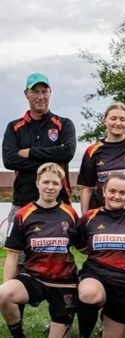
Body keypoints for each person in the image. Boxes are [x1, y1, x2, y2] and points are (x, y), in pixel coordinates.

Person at [2, 74, 76, 295]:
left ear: (50, 93)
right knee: (19, 258)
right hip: (23, 200)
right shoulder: (14, 127)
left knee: (59, 257)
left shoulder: (64, 124)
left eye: (45, 91)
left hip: (58, 202)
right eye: (35, 91)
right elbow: (9, 160)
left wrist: (30, 153)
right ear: (26, 94)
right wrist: (49, 158)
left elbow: (68, 152)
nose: (40, 96)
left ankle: (59, 308)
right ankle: (15, 306)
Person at [0, 163, 79, 338]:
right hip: (34, 279)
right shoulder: (23, 214)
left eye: (55, 183)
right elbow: (12, 256)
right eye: (46, 182)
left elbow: (83, 248)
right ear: (37, 183)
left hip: (64, 282)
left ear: (61, 185)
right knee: (3, 293)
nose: (50, 187)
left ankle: (57, 324)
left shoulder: (71, 214)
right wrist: (7, 287)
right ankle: (17, 335)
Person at [74, 173, 125, 338]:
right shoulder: (89, 217)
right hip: (97, 273)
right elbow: (82, 246)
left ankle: (106, 317)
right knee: (88, 293)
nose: (117, 196)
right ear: (104, 191)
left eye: (122, 193)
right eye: (112, 191)